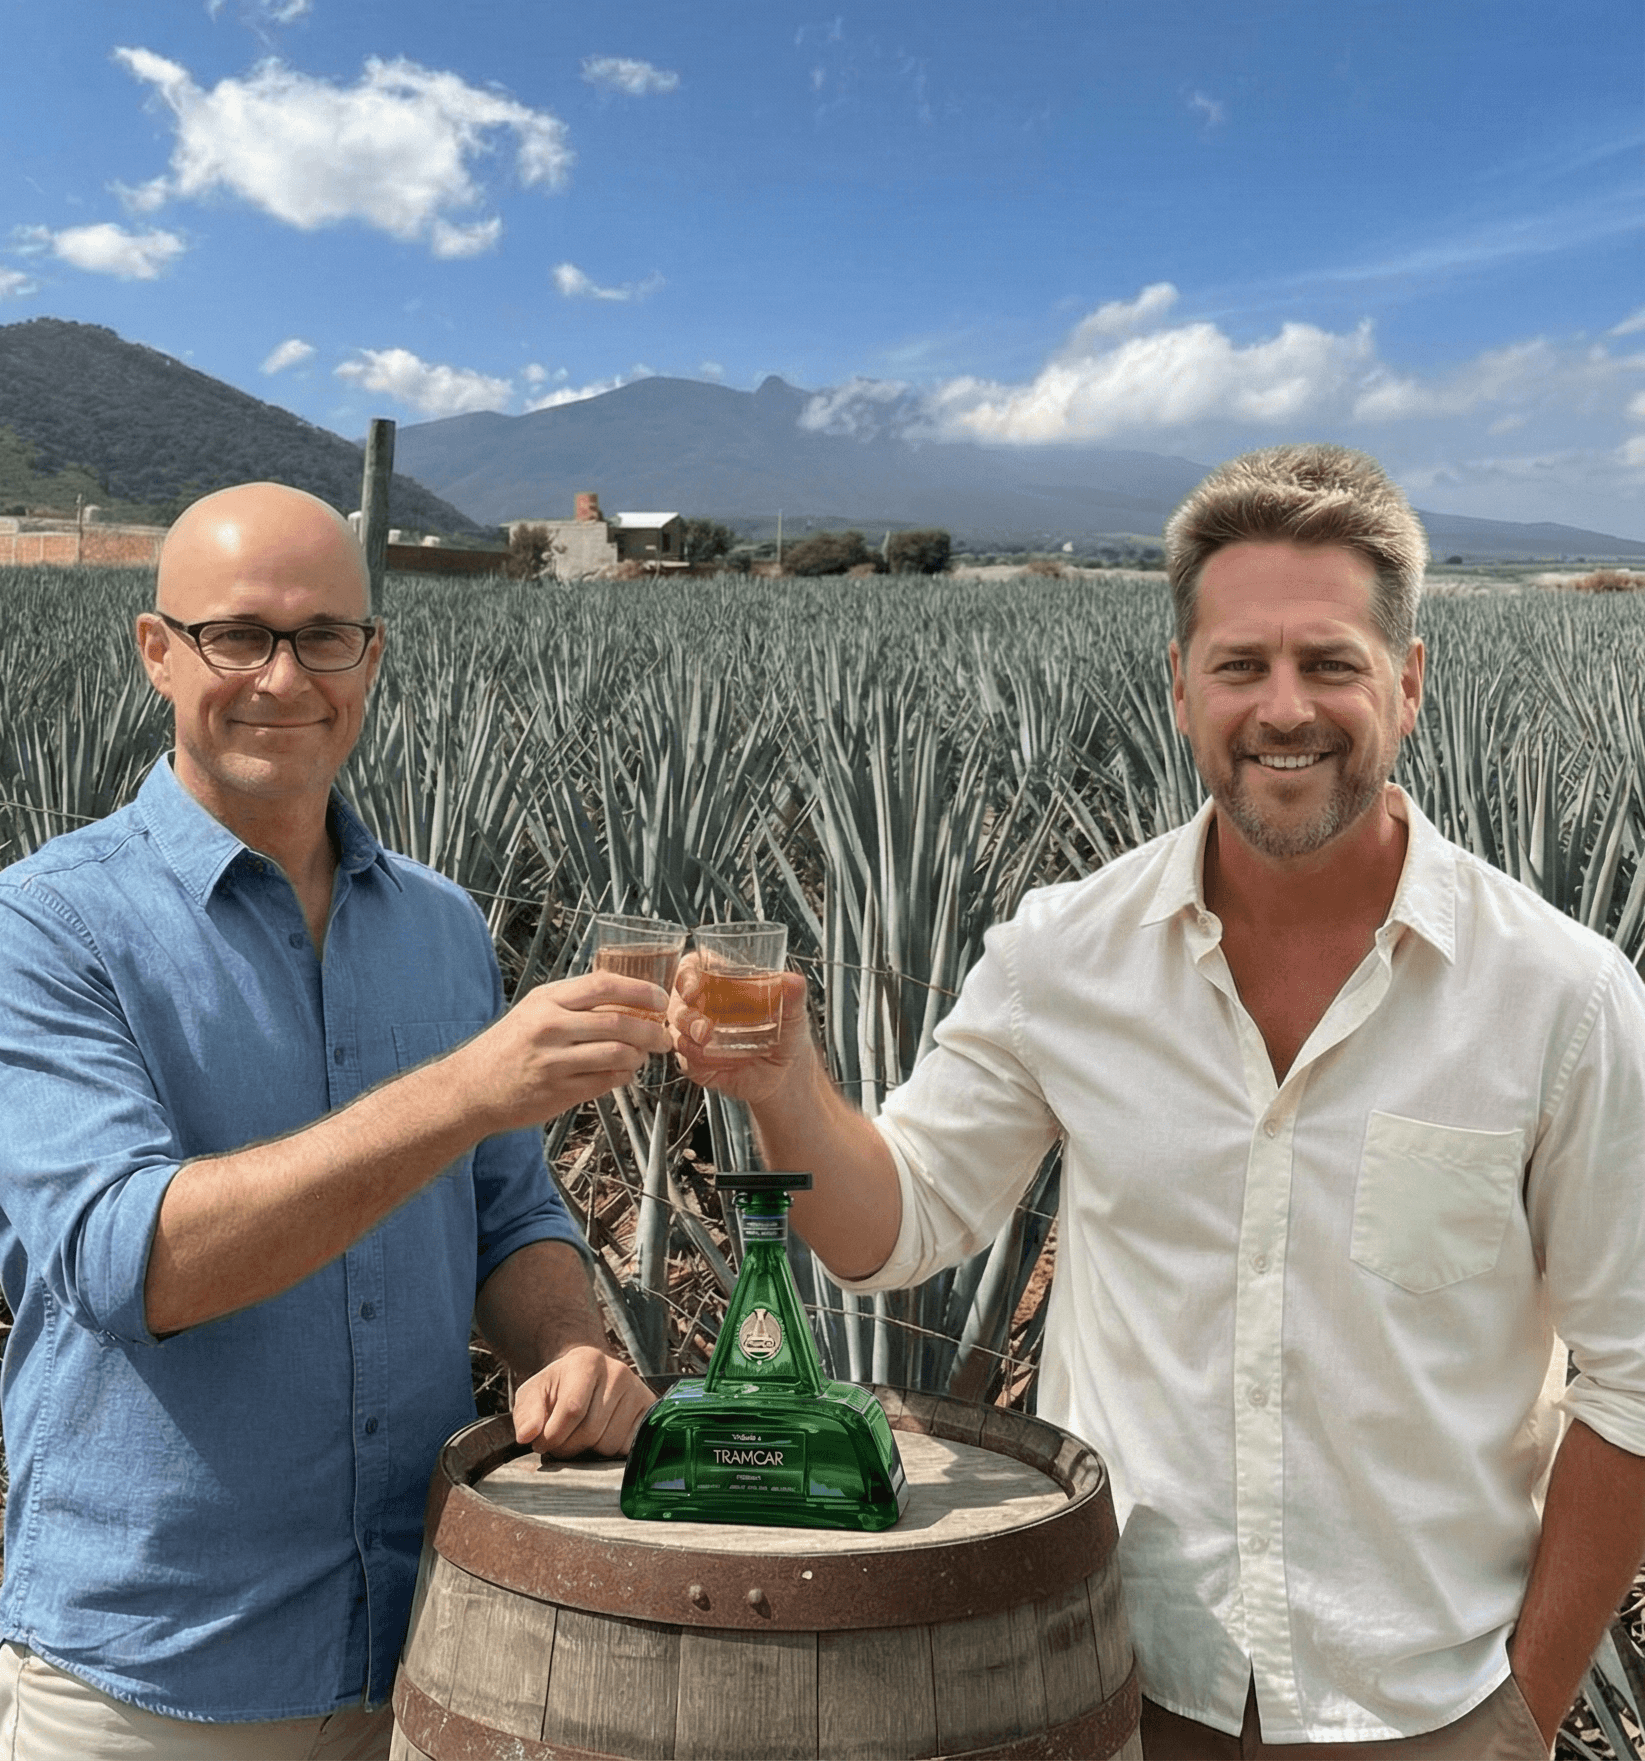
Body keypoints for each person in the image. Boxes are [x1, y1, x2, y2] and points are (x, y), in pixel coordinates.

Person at [672, 445, 1645, 1757]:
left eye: (1333, 662)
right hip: (1115, 1687)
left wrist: (1524, 1713)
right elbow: (892, 1229)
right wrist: (790, 1085)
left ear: (1408, 685)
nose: (1284, 707)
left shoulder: (1563, 1001)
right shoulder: (1065, 956)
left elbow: (1635, 1380)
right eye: (1241, 665)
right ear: (1180, 689)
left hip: (1427, 1707)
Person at [0, 483, 669, 1759]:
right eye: (238, 635)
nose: (284, 678)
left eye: (324, 636)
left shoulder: (437, 927)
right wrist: (465, 1086)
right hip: (154, 1675)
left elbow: (506, 1205)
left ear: (370, 658)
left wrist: (562, 1343)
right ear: (157, 651)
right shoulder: (41, 931)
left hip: (439, 1645)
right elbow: (140, 1264)